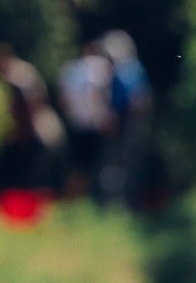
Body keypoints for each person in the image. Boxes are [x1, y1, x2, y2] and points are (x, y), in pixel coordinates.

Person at [0, 45, 64, 195]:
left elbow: (33, 102)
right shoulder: (9, 76)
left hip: (37, 124)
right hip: (23, 126)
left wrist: (21, 128)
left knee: (38, 167)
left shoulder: (17, 76)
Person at [98, 31, 152, 207]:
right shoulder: (133, 67)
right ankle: (127, 199)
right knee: (126, 162)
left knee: (126, 162)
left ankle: (129, 201)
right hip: (130, 124)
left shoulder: (126, 68)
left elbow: (134, 100)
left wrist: (118, 120)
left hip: (127, 124)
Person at [56, 42, 115, 198]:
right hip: (94, 124)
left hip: (74, 123)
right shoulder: (100, 67)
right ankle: (85, 198)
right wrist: (102, 118)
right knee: (94, 164)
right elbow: (97, 97)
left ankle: (74, 197)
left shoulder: (70, 69)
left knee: (76, 163)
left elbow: (62, 99)